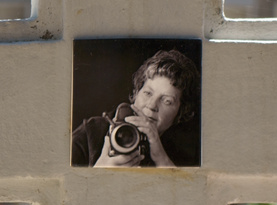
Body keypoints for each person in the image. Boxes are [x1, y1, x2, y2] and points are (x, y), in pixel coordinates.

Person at [71, 48, 200, 168]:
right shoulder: (91, 131)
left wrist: (162, 159)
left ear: (181, 111)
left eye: (167, 101)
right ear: (137, 92)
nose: (151, 105)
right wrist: (98, 171)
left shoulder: (181, 157)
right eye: (148, 93)